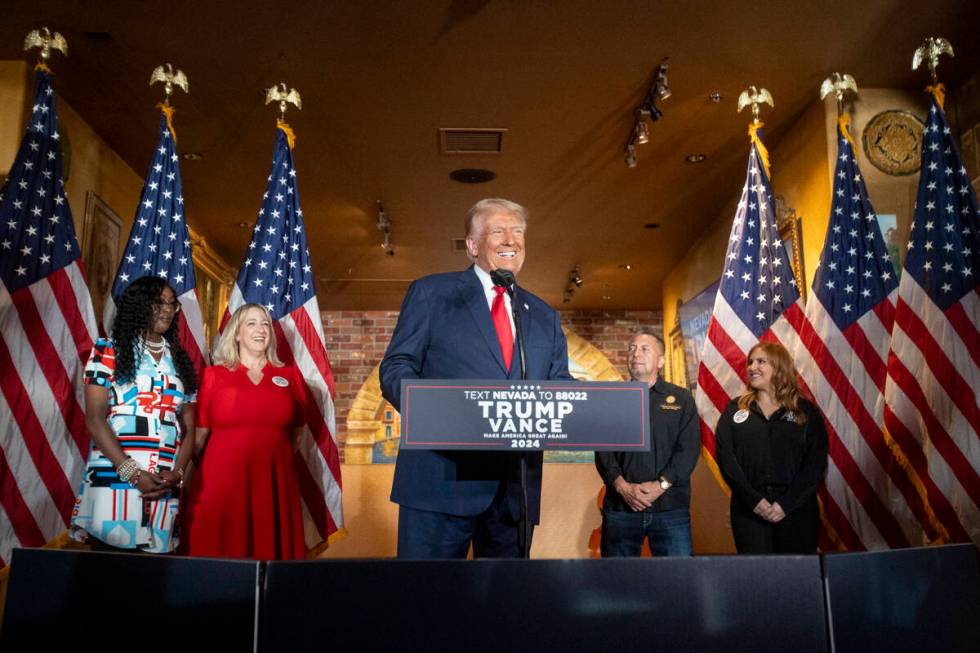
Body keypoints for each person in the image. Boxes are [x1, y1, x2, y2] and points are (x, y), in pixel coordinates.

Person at [380, 198, 570, 559]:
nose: (510, 240)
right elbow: (396, 367)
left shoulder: (545, 315)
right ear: (472, 245)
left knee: (501, 609)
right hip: (439, 481)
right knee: (429, 603)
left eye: (517, 232)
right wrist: (435, 412)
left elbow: (560, 385)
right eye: (498, 231)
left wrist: (604, 407)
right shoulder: (432, 294)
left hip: (514, 493)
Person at [72, 276, 197, 553]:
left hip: (163, 482)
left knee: (152, 584)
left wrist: (177, 474)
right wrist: (131, 472)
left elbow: (189, 426)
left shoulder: (181, 359)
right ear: (139, 305)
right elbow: (94, 419)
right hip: (115, 476)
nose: (166, 309)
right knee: (109, 580)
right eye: (158, 303)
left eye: (171, 304)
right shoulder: (108, 350)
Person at [182, 303, 308, 560]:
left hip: (273, 484)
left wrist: (267, 457)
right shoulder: (212, 376)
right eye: (251, 323)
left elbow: (297, 435)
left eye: (265, 324)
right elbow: (199, 439)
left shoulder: (290, 376)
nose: (260, 329)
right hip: (220, 485)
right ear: (236, 333)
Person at [714, 341, 828, 554]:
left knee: (796, 581)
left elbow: (815, 463)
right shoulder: (734, 410)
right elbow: (726, 459)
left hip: (796, 511)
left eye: (760, 361)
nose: (751, 367)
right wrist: (754, 501)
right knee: (757, 580)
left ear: (779, 367)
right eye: (750, 362)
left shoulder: (805, 411)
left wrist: (786, 504)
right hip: (749, 512)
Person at [595, 329, 700, 556]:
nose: (635, 354)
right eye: (631, 349)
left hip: (670, 509)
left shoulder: (682, 399)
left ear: (661, 361)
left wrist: (660, 486)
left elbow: (688, 451)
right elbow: (603, 452)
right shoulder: (610, 398)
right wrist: (623, 488)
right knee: (615, 583)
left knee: (677, 582)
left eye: (644, 349)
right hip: (621, 508)